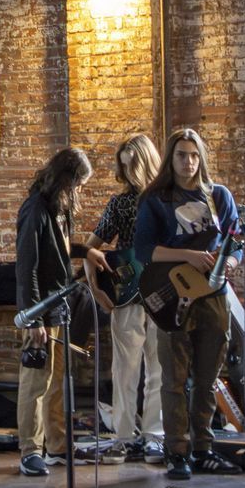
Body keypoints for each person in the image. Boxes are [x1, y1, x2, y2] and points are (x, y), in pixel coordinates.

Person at [135, 128, 243, 481]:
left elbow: (236, 243)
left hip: (213, 297)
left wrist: (230, 262)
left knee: (208, 378)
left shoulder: (219, 196)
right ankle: (176, 451)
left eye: (194, 155)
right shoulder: (156, 199)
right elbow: (144, 251)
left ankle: (204, 449)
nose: (189, 162)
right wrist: (190, 256)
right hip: (172, 298)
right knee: (174, 379)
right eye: (181, 155)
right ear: (171, 159)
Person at [82, 133, 164, 463]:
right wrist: (95, 288)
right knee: (125, 370)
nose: (129, 174)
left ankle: (154, 435)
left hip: (164, 291)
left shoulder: (167, 200)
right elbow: (91, 247)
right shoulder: (120, 203)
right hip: (128, 294)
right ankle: (124, 436)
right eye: (124, 168)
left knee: (159, 369)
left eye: (133, 166)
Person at [15, 147, 93, 477]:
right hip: (41, 308)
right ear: (66, 180)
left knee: (58, 381)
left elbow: (58, 251)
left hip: (59, 305)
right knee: (35, 383)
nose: (80, 192)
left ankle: (57, 445)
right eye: (79, 185)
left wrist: (88, 251)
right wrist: (33, 318)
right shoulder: (35, 209)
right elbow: (28, 266)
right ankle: (30, 451)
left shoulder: (60, 210)